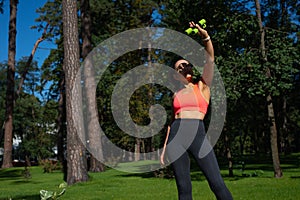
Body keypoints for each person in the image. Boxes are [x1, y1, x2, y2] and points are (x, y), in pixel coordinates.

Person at [160, 21, 233, 200]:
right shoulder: (175, 94)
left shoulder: (202, 86)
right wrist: (163, 150)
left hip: (197, 134)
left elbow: (210, 59)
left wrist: (205, 38)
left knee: (217, 183)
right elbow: (172, 121)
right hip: (175, 139)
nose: (183, 68)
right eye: (179, 67)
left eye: (185, 65)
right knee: (184, 189)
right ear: (175, 75)